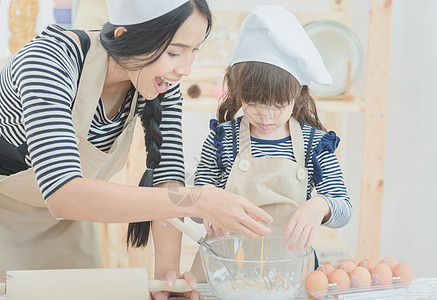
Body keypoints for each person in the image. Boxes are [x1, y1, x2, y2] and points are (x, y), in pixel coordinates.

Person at [0, 0, 273, 298]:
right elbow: (64, 194)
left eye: (194, 51)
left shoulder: (158, 86)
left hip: (68, 225)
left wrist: (168, 277)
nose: (185, 68)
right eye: (173, 52)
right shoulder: (48, 61)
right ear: (124, 37)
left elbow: (168, 175)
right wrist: (200, 200)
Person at [190, 4, 352, 282]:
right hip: (225, 272)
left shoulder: (315, 143)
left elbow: (343, 208)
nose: (265, 116)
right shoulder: (222, 139)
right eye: (252, 103)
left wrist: (319, 207)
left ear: (298, 93)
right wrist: (205, 205)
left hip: (286, 276)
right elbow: (196, 204)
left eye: (278, 105)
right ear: (237, 90)